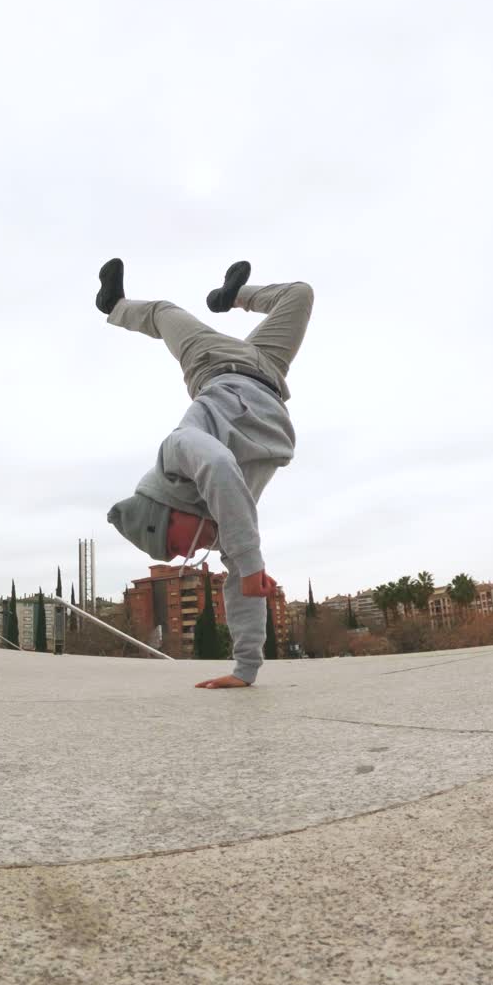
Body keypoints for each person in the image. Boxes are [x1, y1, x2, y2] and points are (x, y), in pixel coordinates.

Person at [96, 258, 314, 689]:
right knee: (300, 294)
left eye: (175, 546)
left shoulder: (179, 450)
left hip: (211, 362)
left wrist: (249, 563)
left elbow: (218, 464)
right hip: (268, 370)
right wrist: (244, 670)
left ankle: (115, 305)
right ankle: (231, 297)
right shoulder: (225, 528)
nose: (187, 554)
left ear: (167, 512)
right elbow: (242, 587)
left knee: (163, 311)